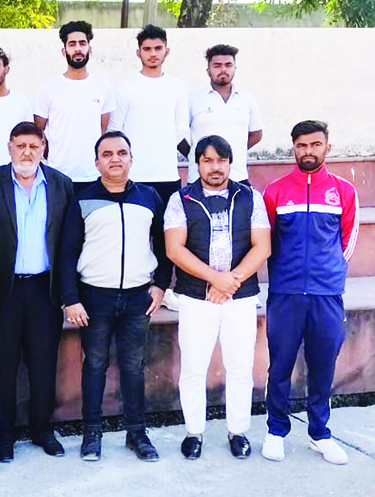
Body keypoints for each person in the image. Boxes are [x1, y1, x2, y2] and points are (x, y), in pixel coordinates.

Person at [60, 131, 171, 462]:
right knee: (94, 364)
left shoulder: (150, 197)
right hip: (95, 297)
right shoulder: (82, 199)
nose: (115, 159)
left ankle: (137, 433)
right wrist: (71, 298)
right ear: (97, 162)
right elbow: (67, 252)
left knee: (134, 366)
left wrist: (160, 285)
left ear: (131, 159)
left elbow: (165, 248)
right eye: (107, 154)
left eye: (122, 152)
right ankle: (91, 434)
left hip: (138, 297)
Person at [164, 135, 271, 460]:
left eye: (221, 160)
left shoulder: (250, 197)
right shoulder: (181, 199)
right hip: (197, 298)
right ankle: (194, 432)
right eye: (207, 160)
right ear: (197, 164)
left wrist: (230, 283)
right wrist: (215, 279)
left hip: (240, 298)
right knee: (194, 367)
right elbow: (174, 248)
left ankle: (237, 431)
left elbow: (262, 246)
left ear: (230, 162)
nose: (215, 167)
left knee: (240, 367)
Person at [261, 120, 359, 465]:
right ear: (293, 149)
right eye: (301, 146)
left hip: (327, 294)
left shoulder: (344, 191)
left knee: (322, 366)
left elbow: (348, 241)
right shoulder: (274, 192)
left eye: (315, 145)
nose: (308, 151)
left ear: (326, 147)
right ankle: (275, 431)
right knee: (281, 365)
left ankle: (320, 434)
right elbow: (266, 242)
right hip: (285, 294)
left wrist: (330, 274)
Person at [0, 122, 73, 462]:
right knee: (2, 365)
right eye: (20, 146)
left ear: (43, 147)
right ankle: (3, 436)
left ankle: (41, 430)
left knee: (43, 364)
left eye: (34, 146)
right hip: (2, 290)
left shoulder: (61, 185)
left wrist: (67, 292)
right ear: (9, 147)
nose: (27, 153)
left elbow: (67, 243)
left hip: (44, 289)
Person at [108, 24, 189, 209]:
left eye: (158, 48)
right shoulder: (125, 88)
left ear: (166, 51)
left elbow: (181, 131)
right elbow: (114, 133)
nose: (153, 54)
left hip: (168, 177)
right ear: (139, 53)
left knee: (166, 236)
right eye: (147, 49)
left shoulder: (178, 87)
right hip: (133, 178)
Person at [34, 20, 116, 193]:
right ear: (64, 50)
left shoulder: (103, 86)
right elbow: (38, 132)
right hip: (58, 177)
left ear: (89, 49)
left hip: (93, 177)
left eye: (82, 43)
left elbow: (103, 130)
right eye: (72, 44)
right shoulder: (48, 87)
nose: (78, 49)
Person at [187, 44, 263, 185]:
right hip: (199, 180)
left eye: (228, 65)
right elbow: (181, 137)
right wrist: (198, 155)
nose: (223, 69)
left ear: (235, 68)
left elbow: (256, 134)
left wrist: (233, 149)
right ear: (208, 70)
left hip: (238, 177)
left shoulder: (247, 99)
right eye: (217, 65)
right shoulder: (193, 100)